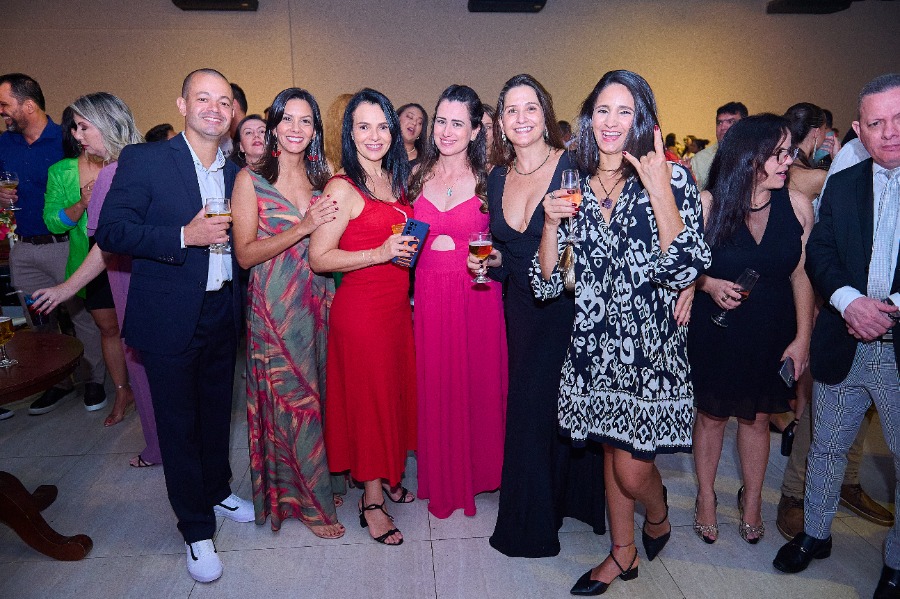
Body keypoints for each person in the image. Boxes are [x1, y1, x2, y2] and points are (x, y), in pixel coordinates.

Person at [534, 70, 710, 595]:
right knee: (612, 453)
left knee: (633, 471)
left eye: (624, 111)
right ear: (589, 118)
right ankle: (622, 553)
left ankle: (657, 513)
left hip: (650, 349)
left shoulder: (671, 177)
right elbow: (546, 285)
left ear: (643, 121)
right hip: (593, 347)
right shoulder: (574, 184)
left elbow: (687, 267)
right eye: (603, 111)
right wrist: (549, 225)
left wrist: (660, 192)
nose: (611, 122)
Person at [96, 68, 253, 583]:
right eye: (203, 98)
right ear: (182, 104)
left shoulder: (237, 172)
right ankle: (196, 529)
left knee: (216, 412)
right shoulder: (145, 160)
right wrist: (183, 236)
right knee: (178, 423)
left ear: (233, 112)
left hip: (222, 310)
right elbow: (112, 231)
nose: (215, 109)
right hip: (168, 314)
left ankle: (218, 491)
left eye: (224, 101)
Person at [772, 73, 900, 599]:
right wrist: (850, 302)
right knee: (825, 447)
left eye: (898, 119)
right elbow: (820, 252)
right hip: (845, 338)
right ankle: (815, 534)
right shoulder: (844, 183)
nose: (889, 132)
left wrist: (889, 310)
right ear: (858, 130)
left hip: (896, 347)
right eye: (877, 123)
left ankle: (896, 564)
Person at [475, 74, 606, 559]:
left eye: (530, 107)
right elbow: (509, 255)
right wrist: (489, 261)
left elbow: (593, 245)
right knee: (538, 410)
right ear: (501, 122)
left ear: (545, 115)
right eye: (511, 110)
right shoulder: (497, 176)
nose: (521, 118)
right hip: (520, 311)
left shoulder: (573, 168)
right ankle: (553, 505)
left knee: (547, 409)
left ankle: (533, 523)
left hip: (566, 310)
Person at [687, 114, 814, 545]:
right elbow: (683, 269)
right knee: (711, 417)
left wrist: (802, 338)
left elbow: (801, 275)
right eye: (778, 154)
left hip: (771, 330)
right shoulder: (708, 205)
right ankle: (706, 497)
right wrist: (708, 284)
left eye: (789, 152)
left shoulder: (797, 206)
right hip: (717, 328)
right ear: (748, 157)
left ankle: (753, 500)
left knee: (757, 419)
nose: (788, 161)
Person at [232, 88, 344, 537]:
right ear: (274, 126)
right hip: (275, 305)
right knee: (291, 398)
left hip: (319, 299)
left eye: (306, 121)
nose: (296, 128)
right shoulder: (250, 179)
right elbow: (244, 254)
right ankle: (307, 502)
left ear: (315, 130)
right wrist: (303, 227)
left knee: (322, 390)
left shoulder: (324, 176)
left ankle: (324, 478)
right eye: (288, 119)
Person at [309, 88, 417, 546]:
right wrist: (379, 253)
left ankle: (388, 475)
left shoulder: (394, 179)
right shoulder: (342, 187)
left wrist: (401, 255)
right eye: (363, 126)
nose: (375, 135)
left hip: (394, 311)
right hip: (362, 315)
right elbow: (319, 257)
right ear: (349, 133)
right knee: (371, 406)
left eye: (382, 126)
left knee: (391, 397)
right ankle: (371, 501)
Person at [32, 96, 162, 467]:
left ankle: (157, 448)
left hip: (130, 278)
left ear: (108, 123)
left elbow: (106, 245)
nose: (77, 135)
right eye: (75, 128)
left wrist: (66, 288)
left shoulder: (111, 176)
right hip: (151, 277)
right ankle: (167, 443)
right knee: (159, 367)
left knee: (144, 366)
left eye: (83, 126)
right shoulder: (152, 163)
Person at [408, 84, 507, 519]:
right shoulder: (415, 176)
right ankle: (442, 474)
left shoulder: (491, 180)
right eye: (442, 121)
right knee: (435, 382)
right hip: (429, 294)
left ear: (475, 130)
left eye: (458, 123)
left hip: (476, 294)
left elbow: (507, 245)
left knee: (476, 382)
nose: (447, 131)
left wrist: (495, 257)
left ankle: (480, 471)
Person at [0, 73, 106, 417]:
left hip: (65, 244)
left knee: (80, 315)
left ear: (28, 105)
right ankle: (58, 382)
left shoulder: (67, 139)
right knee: (39, 320)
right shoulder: (4, 144)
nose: (1, 112)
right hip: (22, 246)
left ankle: (94, 379)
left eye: (5, 104)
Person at [690, 101, 748, 190]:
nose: (723, 127)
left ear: (744, 125)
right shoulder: (700, 160)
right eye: (719, 122)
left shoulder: (757, 156)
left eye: (731, 121)